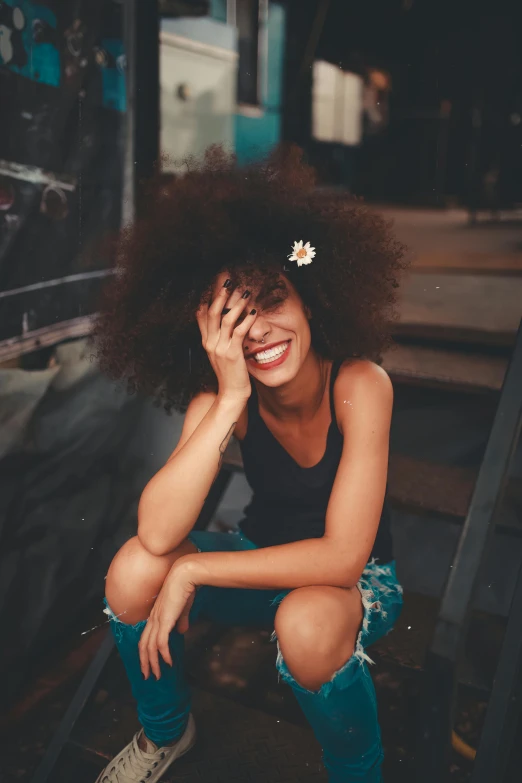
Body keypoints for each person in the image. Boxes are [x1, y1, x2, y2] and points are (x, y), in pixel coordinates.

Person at [90, 144, 409, 783]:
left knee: (307, 620)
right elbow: (156, 532)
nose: (257, 329)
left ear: (311, 300)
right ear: (211, 330)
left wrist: (195, 573)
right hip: (256, 562)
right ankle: (166, 735)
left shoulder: (359, 384)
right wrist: (232, 393)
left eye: (272, 299)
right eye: (234, 315)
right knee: (133, 569)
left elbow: (344, 556)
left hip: (351, 587)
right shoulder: (223, 395)